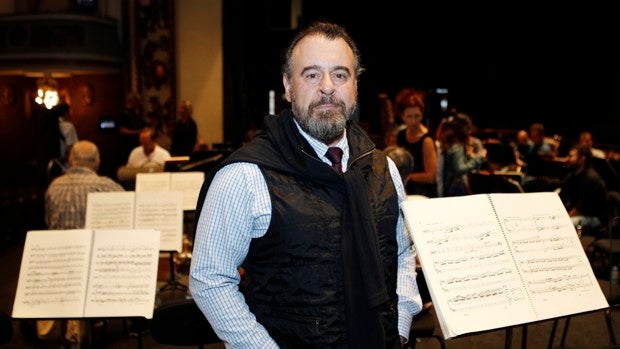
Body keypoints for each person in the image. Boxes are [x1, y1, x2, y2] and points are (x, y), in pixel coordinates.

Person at [189, 21, 422, 348]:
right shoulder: (245, 175)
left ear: (355, 85)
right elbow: (209, 280)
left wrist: (399, 326)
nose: (327, 86)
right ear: (287, 86)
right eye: (311, 74)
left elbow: (400, 255)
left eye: (340, 74)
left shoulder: (384, 168)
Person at [42, 140, 125, 347]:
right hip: (95, 265)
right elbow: (125, 227)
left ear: (71, 161)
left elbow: (47, 222)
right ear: (97, 162)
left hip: (58, 263)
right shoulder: (108, 186)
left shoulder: (53, 187)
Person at [394, 87, 439, 198]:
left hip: (425, 194)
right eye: (409, 116)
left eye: (417, 116)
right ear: (402, 116)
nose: (413, 121)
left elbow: (431, 176)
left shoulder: (426, 140)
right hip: (407, 191)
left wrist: (406, 177)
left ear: (422, 114)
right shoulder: (401, 135)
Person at [558, 144, 608, 236]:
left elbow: (580, 209)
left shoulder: (591, 179)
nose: (567, 158)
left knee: (566, 224)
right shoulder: (572, 175)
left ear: (582, 159)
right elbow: (561, 198)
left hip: (594, 218)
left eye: (571, 156)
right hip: (579, 212)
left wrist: (561, 221)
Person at [436, 113, 487, 197]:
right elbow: (459, 169)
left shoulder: (451, 143)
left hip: (449, 186)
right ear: (463, 129)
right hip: (455, 188)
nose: (469, 132)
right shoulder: (457, 146)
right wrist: (479, 158)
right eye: (468, 129)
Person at [118, 91, 149, 161]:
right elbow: (122, 131)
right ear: (133, 101)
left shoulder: (135, 114)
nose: (140, 103)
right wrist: (139, 131)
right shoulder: (124, 113)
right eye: (138, 101)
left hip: (136, 144)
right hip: (127, 146)